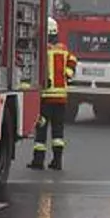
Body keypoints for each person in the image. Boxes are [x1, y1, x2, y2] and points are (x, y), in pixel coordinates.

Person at [30, 17, 77, 171]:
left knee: (41, 129)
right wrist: (68, 74)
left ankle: (38, 161)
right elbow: (72, 61)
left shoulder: (43, 51)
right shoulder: (63, 49)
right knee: (58, 131)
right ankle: (57, 162)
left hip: (46, 98)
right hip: (61, 98)